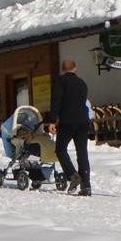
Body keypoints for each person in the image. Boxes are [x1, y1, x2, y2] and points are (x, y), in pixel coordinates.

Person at [49, 59, 91, 196]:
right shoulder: (82, 83)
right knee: (82, 152)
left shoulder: (61, 81)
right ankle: (86, 186)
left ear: (62, 69)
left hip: (68, 121)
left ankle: (73, 176)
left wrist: (52, 120)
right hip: (83, 121)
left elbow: (56, 100)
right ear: (75, 68)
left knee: (60, 149)